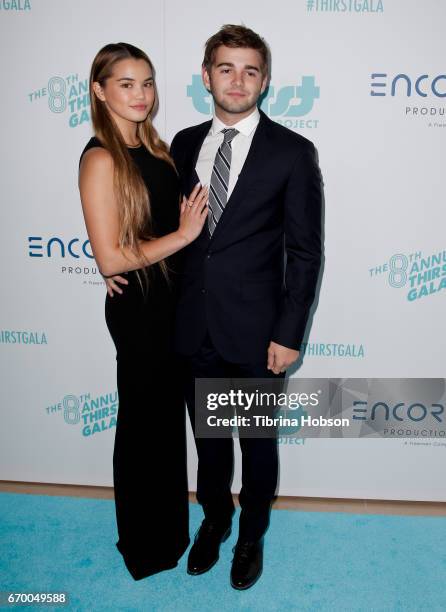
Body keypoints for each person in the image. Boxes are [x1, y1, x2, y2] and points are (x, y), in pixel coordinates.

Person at [170, 25, 323, 589]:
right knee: (210, 443)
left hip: (260, 334)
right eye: (226, 68)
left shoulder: (292, 151)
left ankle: (252, 533)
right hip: (193, 327)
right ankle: (214, 519)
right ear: (206, 75)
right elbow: (174, 234)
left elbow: (305, 253)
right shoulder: (183, 144)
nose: (238, 81)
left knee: (257, 445)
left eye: (250, 70)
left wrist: (289, 333)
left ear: (265, 80)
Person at [78, 42, 208, 581]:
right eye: (126, 84)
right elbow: (110, 254)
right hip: (140, 312)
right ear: (99, 90)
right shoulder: (100, 158)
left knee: (166, 429)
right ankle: (145, 544)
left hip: (174, 303)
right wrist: (181, 236)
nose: (140, 95)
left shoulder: (158, 150)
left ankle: (171, 532)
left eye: (147, 83)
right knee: (143, 427)